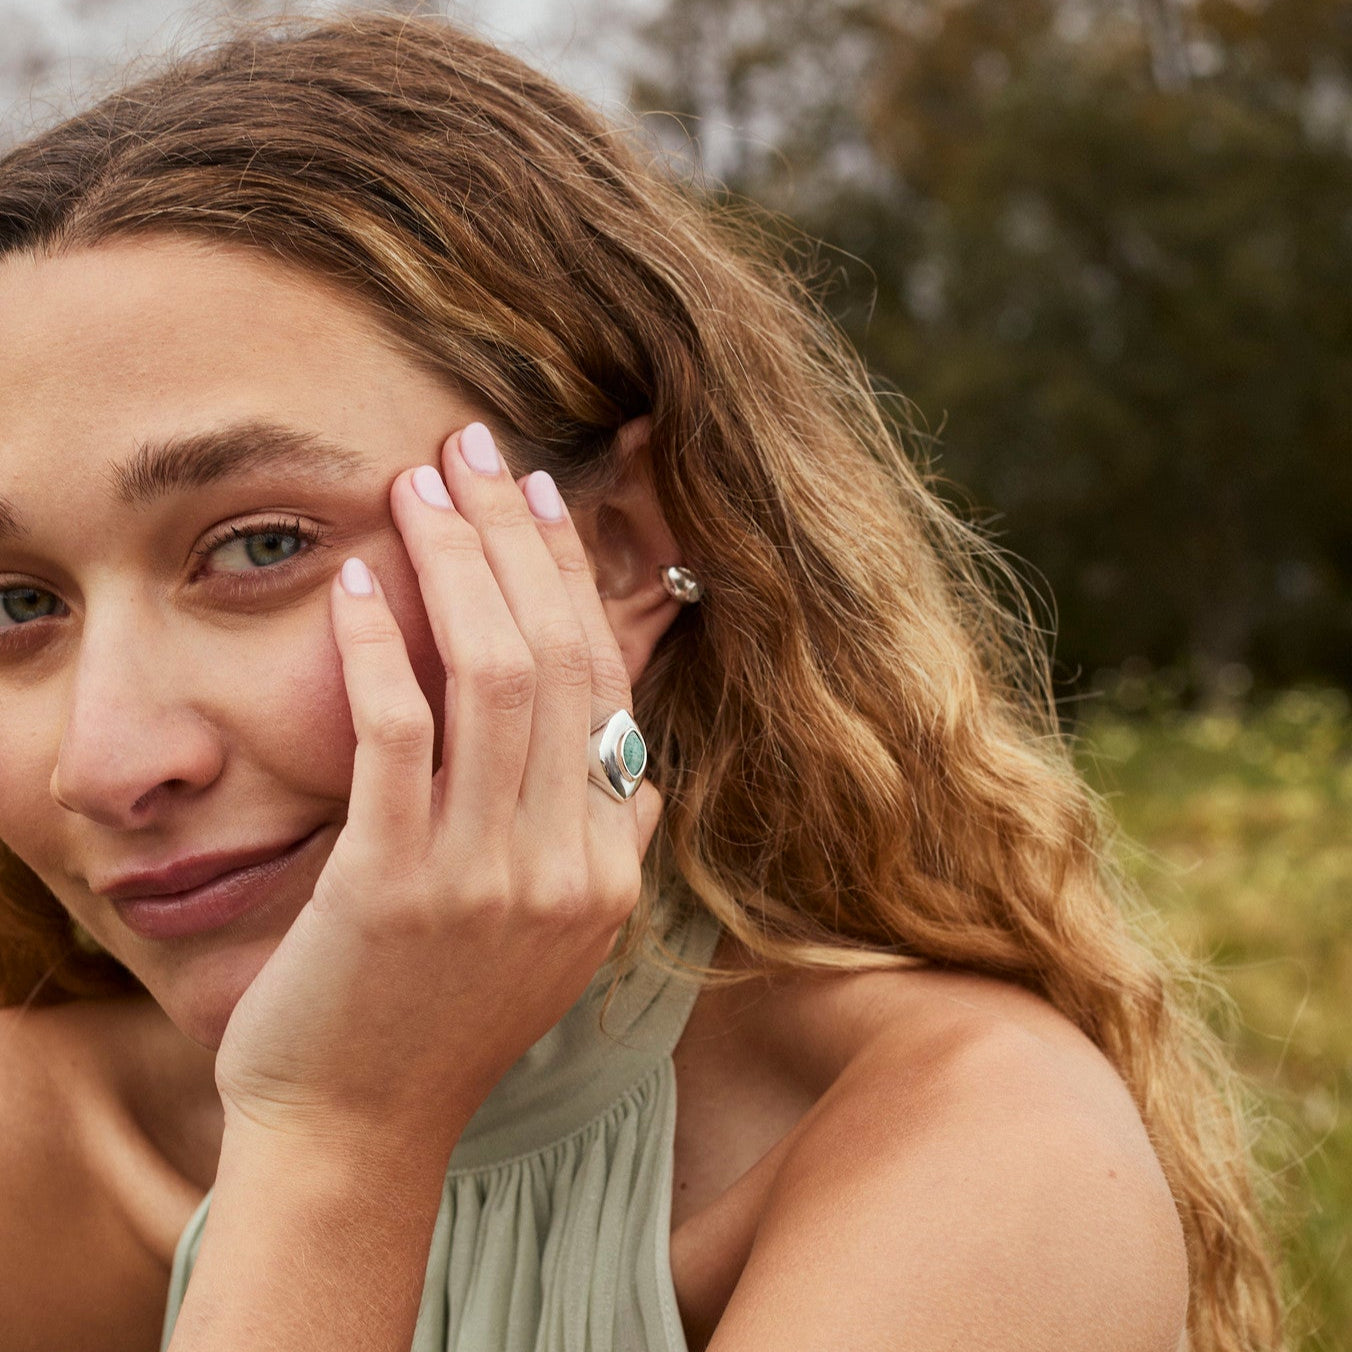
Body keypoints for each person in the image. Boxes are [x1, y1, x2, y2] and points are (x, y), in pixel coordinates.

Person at [0, 11, 1283, 1351]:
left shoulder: (976, 1158)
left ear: (615, 549)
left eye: (262, 546)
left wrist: (339, 1138)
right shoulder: (38, 1140)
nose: (103, 762)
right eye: (18, 603)